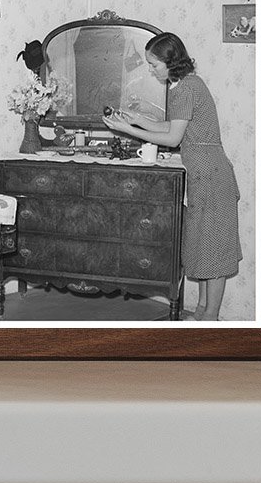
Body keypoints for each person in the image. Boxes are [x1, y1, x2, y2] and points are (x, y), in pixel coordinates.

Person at [102, 32, 241, 321]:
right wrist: (134, 118)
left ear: (170, 61)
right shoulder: (186, 84)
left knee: (214, 250)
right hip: (205, 174)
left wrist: (127, 131)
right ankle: (202, 311)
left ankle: (210, 319)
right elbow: (171, 124)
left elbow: (173, 137)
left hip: (210, 175)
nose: (151, 70)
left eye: (154, 65)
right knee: (205, 246)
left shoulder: (184, 89)